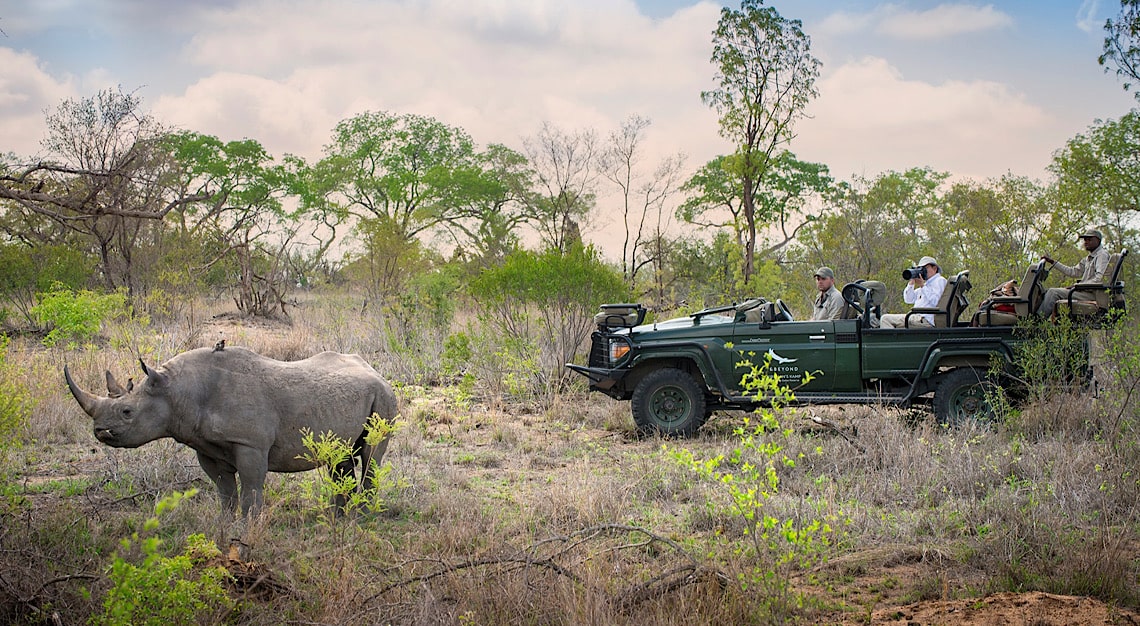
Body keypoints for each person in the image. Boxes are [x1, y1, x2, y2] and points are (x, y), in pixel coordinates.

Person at [1036, 228, 1110, 318]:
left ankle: (1036, 322)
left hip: (1092, 295)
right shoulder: (1089, 258)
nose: (1086, 242)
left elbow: (1100, 279)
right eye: (1085, 239)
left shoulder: (1102, 255)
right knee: (1047, 292)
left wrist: (1078, 286)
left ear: (1098, 240)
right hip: (1084, 291)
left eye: (1089, 239)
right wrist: (1052, 262)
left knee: (1053, 292)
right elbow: (1073, 271)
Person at [879, 256, 947, 329]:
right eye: (920, 268)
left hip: (925, 319)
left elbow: (937, 302)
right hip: (917, 317)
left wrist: (922, 286)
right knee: (889, 321)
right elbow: (908, 299)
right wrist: (911, 283)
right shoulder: (926, 284)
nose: (922, 271)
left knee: (885, 319)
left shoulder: (939, 281)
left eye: (925, 268)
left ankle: (888, 340)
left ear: (934, 268)